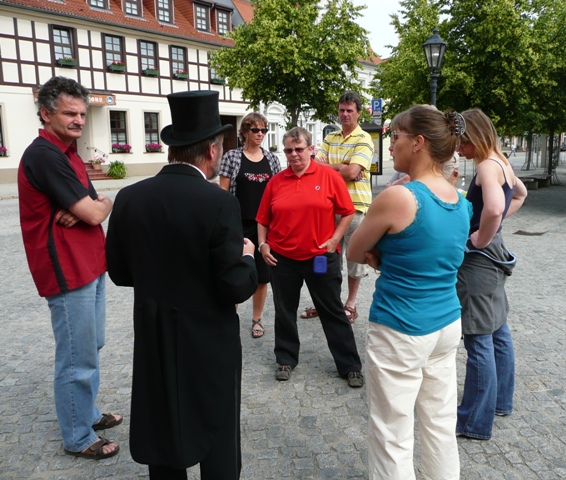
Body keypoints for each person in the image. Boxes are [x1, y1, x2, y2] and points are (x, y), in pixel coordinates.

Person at [106, 91, 258, 479]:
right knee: (219, 429)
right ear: (211, 151)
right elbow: (234, 286)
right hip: (209, 339)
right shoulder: (218, 202)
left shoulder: (129, 198)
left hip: (156, 334)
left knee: (163, 431)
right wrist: (247, 257)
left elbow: (120, 273)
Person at [348, 105, 472, 479]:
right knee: (439, 424)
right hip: (446, 323)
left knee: (392, 433)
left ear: (418, 143)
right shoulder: (459, 200)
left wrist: (379, 258)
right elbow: (440, 256)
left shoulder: (399, 198)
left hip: (401, 326)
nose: (390, 146)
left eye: (396, 137)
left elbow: (354, 249)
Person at [18, 76, 120, 460]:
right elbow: (94, 209)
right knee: (76, 355)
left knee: (90, 346)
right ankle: (78, 436)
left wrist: (94, 208)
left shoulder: (70, 153)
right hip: (65, 270)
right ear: (46, 114)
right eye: (70, 113)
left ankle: (87, 412)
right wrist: (93, 210)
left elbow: (96, 203)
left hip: (89, 265)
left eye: (82, 113)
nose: (79, 120)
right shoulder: (45, 155)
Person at [256, 126, 364, 388]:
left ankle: (349, 366)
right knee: (284, 311)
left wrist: (336, 239)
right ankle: (285, 359)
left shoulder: (329, 176)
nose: (294, 154)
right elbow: (263, 219)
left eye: (299, 149)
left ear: (311, 149)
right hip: (282, 259)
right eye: (288, 150)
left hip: (320, 258)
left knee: (332, 311)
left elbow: (347, 212)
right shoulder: (276, 181)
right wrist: (262, 245)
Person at [456, 109, 528, 441]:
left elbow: (496, 207)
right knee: (498, 329)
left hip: (479, 261)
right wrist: (493, 230)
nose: (458, 148)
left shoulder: (486, 166)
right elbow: (521, 195)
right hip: (494, 255)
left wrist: (480, 237)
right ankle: (501, 402)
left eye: (461, 141)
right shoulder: (502, 162)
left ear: (473, 136)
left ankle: (474, 422)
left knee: (478, 336)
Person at [300, 91, 374, 323]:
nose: (344, 114)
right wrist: (343, 166)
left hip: (355, 205)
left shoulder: (364, 138)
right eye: (341, 110)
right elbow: (314, 166)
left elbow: (353, 172)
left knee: (353, 257)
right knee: (325, 256)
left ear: (358, 113)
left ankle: (350, 304)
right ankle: (326, 301)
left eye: (349, 110)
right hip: (328, 206)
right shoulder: (330, 137)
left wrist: (333, 167)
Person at [219, 112, 281, 338]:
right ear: (244, 132)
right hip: (238, 224)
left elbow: (278, 192)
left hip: (265, 226)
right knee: (235, 271)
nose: (260, 134)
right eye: (256, 130)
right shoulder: (232, 157)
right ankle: (230, 316)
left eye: (264, 130)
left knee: (263, 275)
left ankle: (257, 319)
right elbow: (222, 193)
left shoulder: (272, 159)